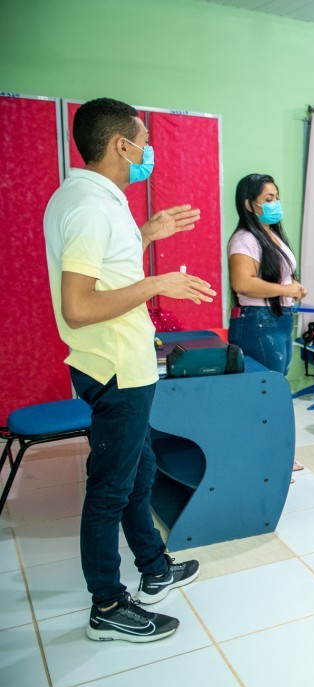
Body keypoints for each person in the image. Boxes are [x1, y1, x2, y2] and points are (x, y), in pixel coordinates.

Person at [43, 98, 214, 642]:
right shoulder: (90, 207)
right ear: (122, 145)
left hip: (122, 363)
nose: (147, 153)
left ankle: (153, 568)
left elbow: (107, 269)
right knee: (110, 489)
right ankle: (108, 607)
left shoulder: (90, 199)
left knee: (139, 472)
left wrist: (145, 234)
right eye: (143, 143)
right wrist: (158, 283)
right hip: (114, 367)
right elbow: (79, 306)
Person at [227, 174, 307, 471]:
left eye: (277, 197)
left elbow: (280, 277)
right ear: (250, 204)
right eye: (268, 199)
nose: (276, 204)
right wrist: (286, 290)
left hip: (279, 319)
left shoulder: (271, 235)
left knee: (274, 389)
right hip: (259, 322)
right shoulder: (244, 239)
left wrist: (293, 287)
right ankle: (266, 461)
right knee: (264, 392)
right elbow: (242, 283)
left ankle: (274, 455)